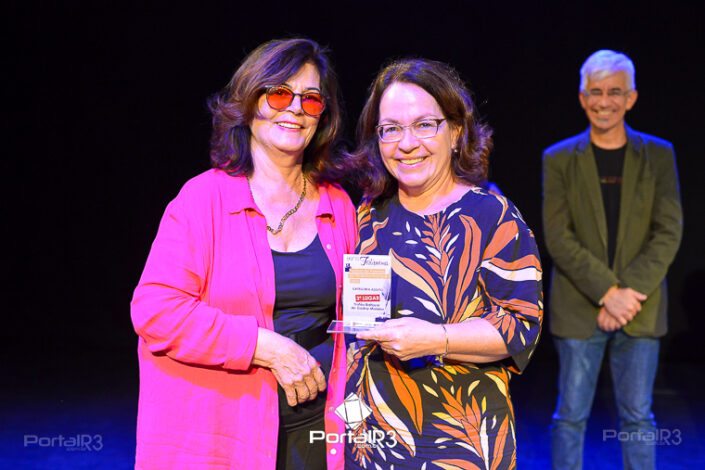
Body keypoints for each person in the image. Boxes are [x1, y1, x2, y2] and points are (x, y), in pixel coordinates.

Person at [130, 38, 357, 470]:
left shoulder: (338, 204)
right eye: (279, 94)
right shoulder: (203, 199)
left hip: (316, 429)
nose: (295, 109)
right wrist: (264, 346)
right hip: (225, 435)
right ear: (250, 102)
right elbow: (156, 310)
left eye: (311, 99)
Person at [344, 58, 543, 469]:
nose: (406, 143)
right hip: (372, 442)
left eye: (424, 125)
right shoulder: (368, 214)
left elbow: (522, 327)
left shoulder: (492, 216)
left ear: (455, 132)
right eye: (391, 129)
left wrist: (437, 338)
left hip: (460, 444)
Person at [543, 49, 683, 469]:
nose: (605, 101)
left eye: (615, 92)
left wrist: (627, 294)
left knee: (638, 417)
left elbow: (668, 230)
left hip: (640, 307)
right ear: (582, 97)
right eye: (596, 92)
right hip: (579, 306)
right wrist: (608, 292)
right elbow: (558, 236)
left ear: (631, 97)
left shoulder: (659, 155)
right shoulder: (558, 158)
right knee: (570, 417)